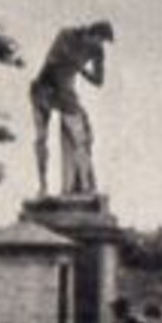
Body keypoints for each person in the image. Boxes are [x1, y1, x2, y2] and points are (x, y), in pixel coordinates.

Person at [29, 21, 114, 196]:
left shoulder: (96, 51)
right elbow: (54, 63)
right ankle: (42, 187)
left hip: (66, 91)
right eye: (99, 40)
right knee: (41, 138)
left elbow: (99, 80)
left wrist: (82, 70)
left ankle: (85, 186)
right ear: (91, 34)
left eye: (102, 42)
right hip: (45, 87)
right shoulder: (67, 35)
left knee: (81, 138)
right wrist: (76, 67)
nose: (99, 45)